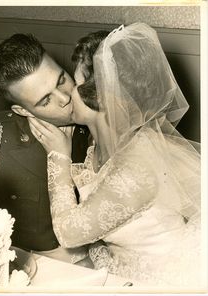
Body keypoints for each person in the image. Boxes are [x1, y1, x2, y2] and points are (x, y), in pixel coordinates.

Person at [28, 23, 201, 288]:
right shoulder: (100, 143)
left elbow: (68, 233)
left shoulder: (135, 168)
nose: (67, 94)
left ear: (101, 96)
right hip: (122, 263)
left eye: (75, 82)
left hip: (168, 277)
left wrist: (57, 156)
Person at [0, 33, 90, 264]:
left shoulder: (96, 109)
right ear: (23, 111)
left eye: (61, 80)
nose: (66, 98)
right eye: (45, 100)